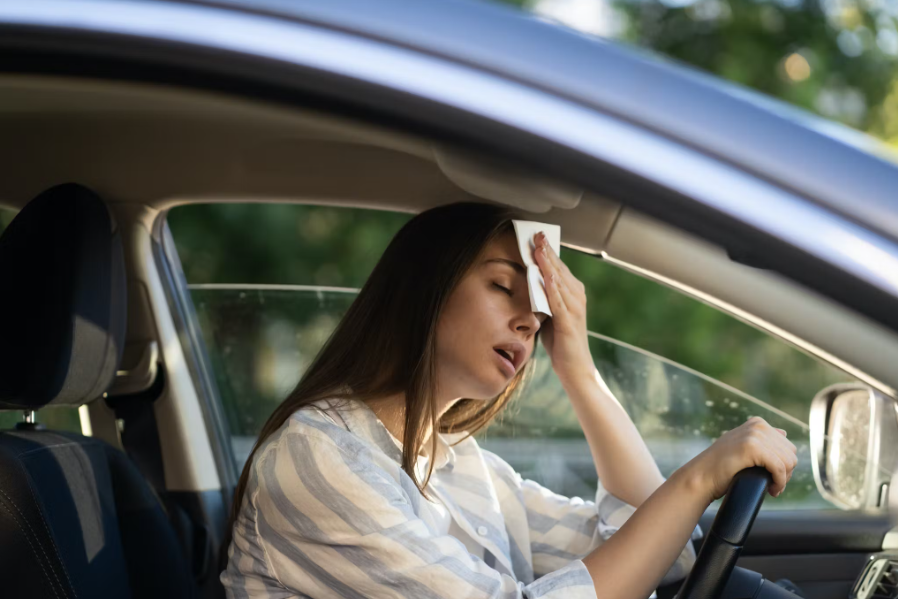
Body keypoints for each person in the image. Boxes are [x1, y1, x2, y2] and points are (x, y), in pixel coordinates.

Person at [221, 202, 798, 599]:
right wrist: (698, 479)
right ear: (426, 288)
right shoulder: (315, 457)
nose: (529, 320)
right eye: (502, 286)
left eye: (540, 311)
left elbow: (662, 555)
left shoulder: (462, 466)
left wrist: (579, 369)